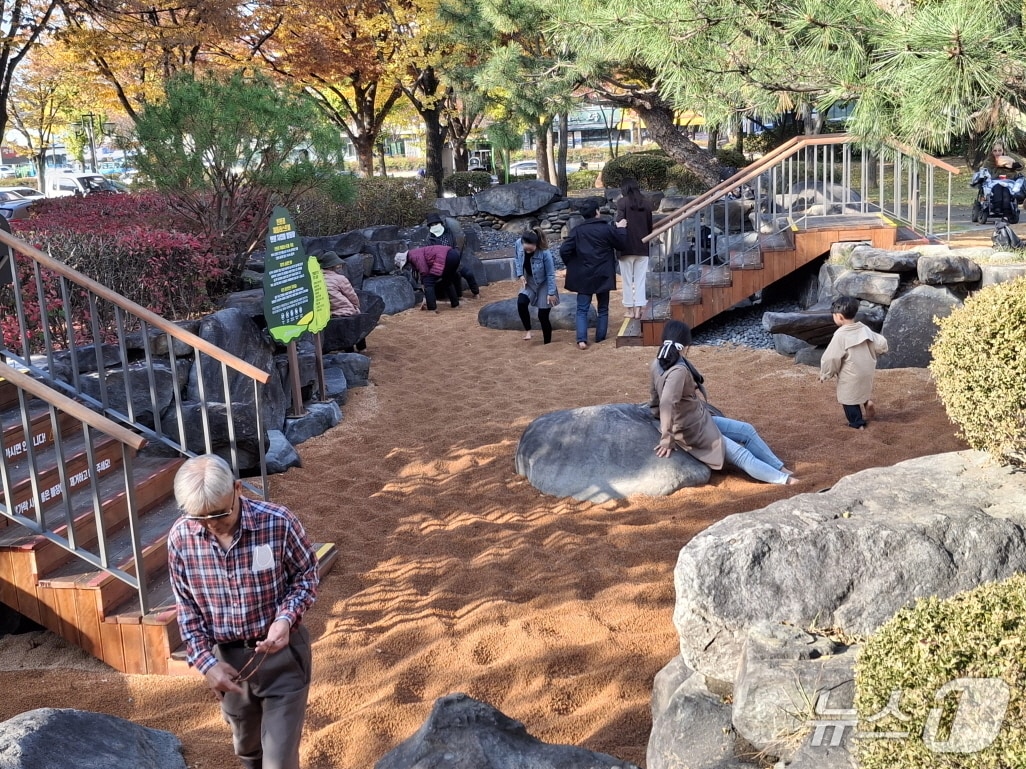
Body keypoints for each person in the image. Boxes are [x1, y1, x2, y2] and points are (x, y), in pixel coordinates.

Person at [168, 454, 319, 769]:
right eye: (199, 518)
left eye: (219, 513)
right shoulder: (181, 538)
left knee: (279, 761)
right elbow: (188, 611)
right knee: (248, 751)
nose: (212, 524)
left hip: (283, 656)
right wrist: (207, 664)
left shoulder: (278, 521)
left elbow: (306, 575)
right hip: (228, 663)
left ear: (237, 489)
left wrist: (285, 618)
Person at [650, 320, 797, 485]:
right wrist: (667, 438)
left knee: (746, 430)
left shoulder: (656, 363)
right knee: (741, 454)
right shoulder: (679, 370)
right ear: (685, 345)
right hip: (692, 430)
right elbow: (667, 403)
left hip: (700, 419)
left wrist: (654, 413)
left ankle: (779, 467)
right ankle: (785, 480)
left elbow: (655, 396)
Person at [559, 199, 628, 349]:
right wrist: (621, 229)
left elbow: (564, 250)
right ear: (597, 212)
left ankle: (582, 340)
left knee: (582, 309)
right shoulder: (606, 229)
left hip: (583, 274)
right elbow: (621, 244)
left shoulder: (577, 231)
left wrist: (572, 264)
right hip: (603, 273)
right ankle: (600, 338)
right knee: (603, 308)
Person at [819, 295, 889, 429]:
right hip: (866, 371)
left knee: (848, 398)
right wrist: (882, 350)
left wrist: (826, 373)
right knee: (862, 389)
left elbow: (831, 357)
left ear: (839, 317)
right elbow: (881, 342)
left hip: (851, 374)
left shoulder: (840, 335)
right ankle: (867, 402)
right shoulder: (864, 329)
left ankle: (857, 423)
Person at [614, 177, 654, 319]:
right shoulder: (646, 203)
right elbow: (650, 227)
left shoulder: (622, 202)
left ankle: (630, 310)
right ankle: (638, 309)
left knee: (626, 281)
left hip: (625, 247)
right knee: (640, 280)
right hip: (642, 246)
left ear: (624, 189)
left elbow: (619, 223)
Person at [514, 227, 559, 343]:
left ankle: (547, 343)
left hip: (544, 284)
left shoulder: (545, 253)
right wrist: (520, 275)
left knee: (542, 315)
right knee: (521, 302)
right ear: (523, 242)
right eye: (526, 249)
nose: (528, 251)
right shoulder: (518, 243)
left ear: (536, 244)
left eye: (531, 248)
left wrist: (551, 293)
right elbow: (517, 259)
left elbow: (550, 274)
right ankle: (528, 330)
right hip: (529, 281)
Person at [425, 212, 480, 299]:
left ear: (440, 223)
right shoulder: (429, 239)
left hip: (455, 261)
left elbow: (456, 246)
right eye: (432, 224)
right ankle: (459, 296)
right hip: (442, 265)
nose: (434, 226)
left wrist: (455, 256)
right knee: (455, 276)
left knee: (468, 273)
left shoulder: (449, 232)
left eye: (436, 223)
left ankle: (476, 292)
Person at [395, 245, 462, 311]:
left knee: (428, 282)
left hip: (446, 257)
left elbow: (424, 271)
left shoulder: (413, 255)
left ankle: (432, 309)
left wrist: (424, 286)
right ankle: (455, 304)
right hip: (454, 255)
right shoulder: (414, 253)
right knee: (447, 281)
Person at [317, 251, 361, 317]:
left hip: (324, 313)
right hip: (344, 311)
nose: (340, 266)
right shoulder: (340, 279)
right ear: (333, 266)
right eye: (338, 265)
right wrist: (356, 307)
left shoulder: (316, 278)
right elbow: (351, 296)